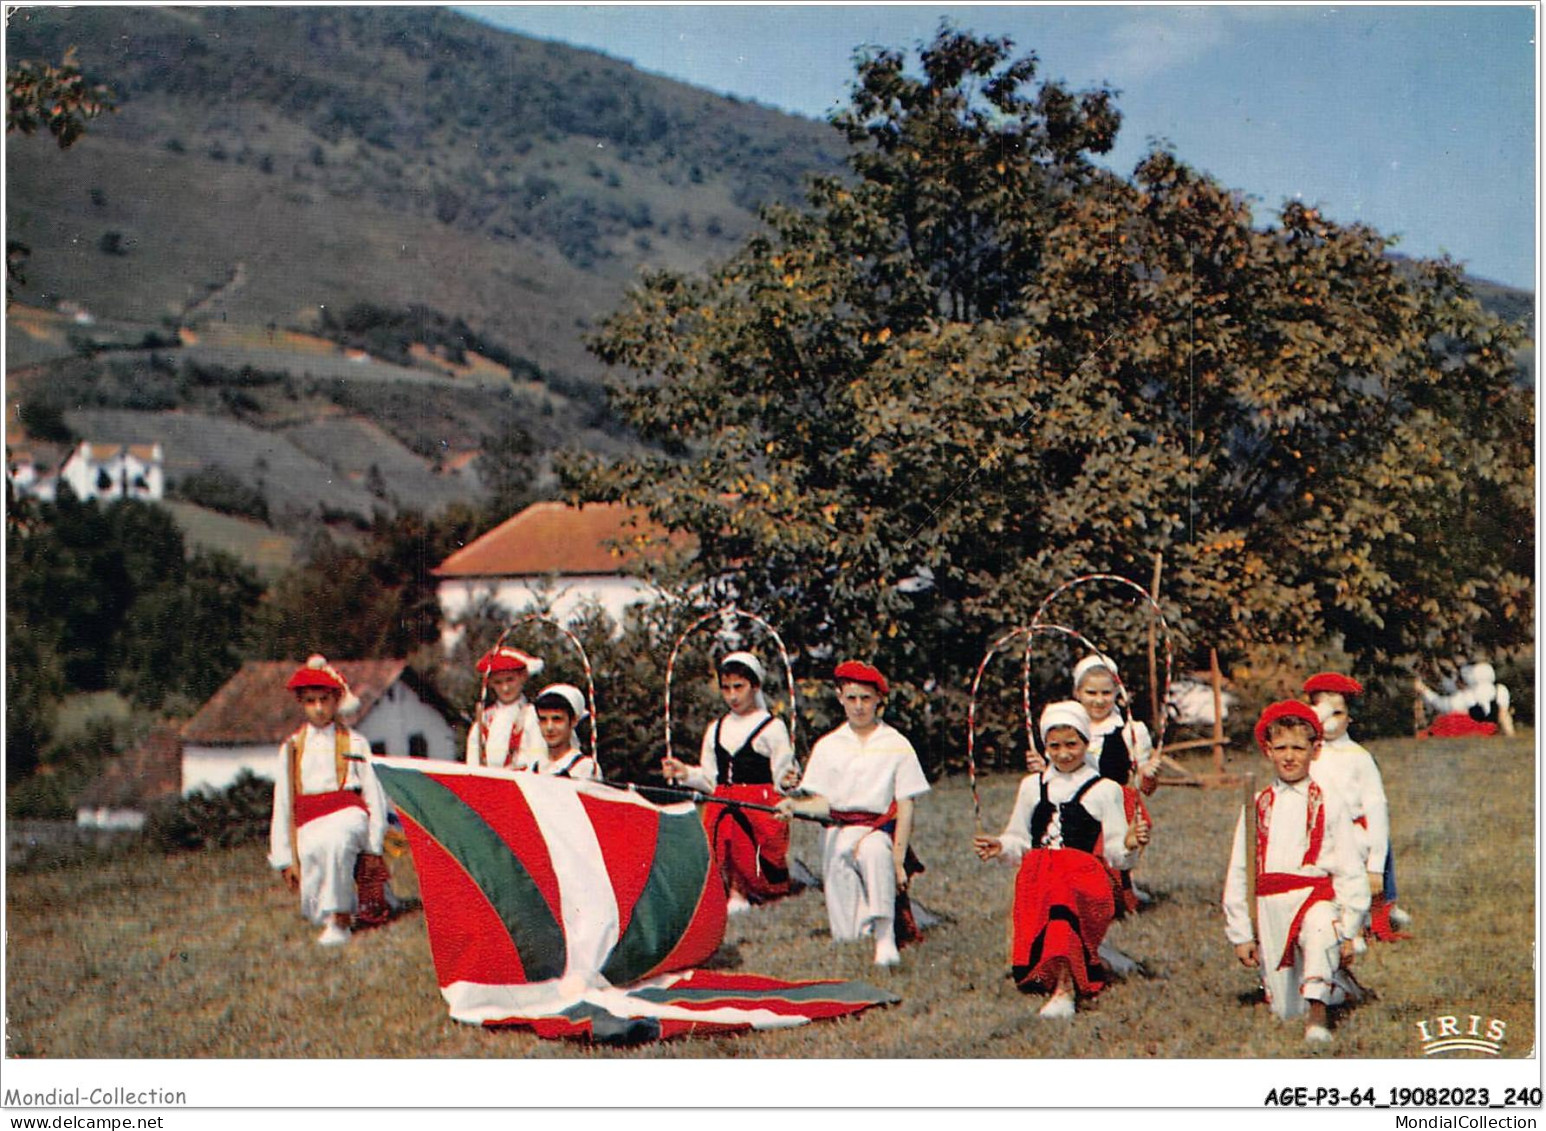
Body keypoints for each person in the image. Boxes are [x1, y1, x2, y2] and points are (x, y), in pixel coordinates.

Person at [974, 700, 1149, 1019]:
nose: (1064, 753)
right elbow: (1019, 839)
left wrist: (1129, 842)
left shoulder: (1104, 789)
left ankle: (1065, 990)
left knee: (1061, 890)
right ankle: (1094, 959)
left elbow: (1116, 853)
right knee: (1051, 887)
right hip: (1037, 878)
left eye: (1072, 744)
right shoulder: (1031, 786)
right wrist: (1000, 846)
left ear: (1086, 742)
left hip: (1085, 878)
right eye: (1054, 746)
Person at [1222, 701, 1370, 1043]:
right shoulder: (1256, 804)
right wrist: (1241, 933)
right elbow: (1240, 870)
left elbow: (1349, 866)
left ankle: (1318, 1020)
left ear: (1315, 751)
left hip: (1314, 895)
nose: (1289, 756)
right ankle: (1338, 986)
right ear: (1268, 751)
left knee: (1320, 928)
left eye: (1299, 748)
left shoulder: (1329, 801)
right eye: (1281, 748)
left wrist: (1350, 927)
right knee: (1287, 1009)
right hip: (1271, 904)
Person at [777, 661, 928, 967]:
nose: (859, 706)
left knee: (873, 852)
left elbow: (906, 805)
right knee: (848, 936)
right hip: (838, 831)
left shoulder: (896, 744)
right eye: (851, 698)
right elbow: (823, 804)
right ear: (840, 697)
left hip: (878, 829)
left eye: (866, 699)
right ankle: (864, 927)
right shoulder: (828, 745)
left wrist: (898, 859)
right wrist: (795, 807)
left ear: (878, 701)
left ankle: (886, 938)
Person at [661, 651, 797, 913]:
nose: (732, 695)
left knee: (736, 816)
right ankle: (731, 887)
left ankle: (748, 887)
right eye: (726, 688)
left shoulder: (771, 727)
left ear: (754, 686)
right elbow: (710, 779)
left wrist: (788, 780)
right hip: (723, 803)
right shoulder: (716, 728)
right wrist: (684, 773)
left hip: (759, 806)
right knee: (723, 811)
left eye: (739, 687)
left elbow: (783, 776)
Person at [268, 655, 389, 947]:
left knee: (337, 839)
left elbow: (374, 794)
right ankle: (328, 911)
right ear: (301, 702)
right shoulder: (292, 747)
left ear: (337, 700)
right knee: (314, 847)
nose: (319, 708)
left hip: (348, 812)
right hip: (310, 817)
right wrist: (284, 857)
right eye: (311, 701)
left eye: (325, 700)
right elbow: (283, 802)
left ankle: (340, 919)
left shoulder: (355, 743)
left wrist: (374, 845)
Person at [1303, 672, 1410, 940]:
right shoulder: (1305, 754)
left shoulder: (1358, 757)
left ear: (1350, 717)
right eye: (1322, 711)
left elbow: (1375, 808)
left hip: (1351, 835)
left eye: (1337, 713)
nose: (1329, 721)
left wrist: (1375, 865)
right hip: (1315, 836)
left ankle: (1369, 921)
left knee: (1353, 878)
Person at [1067, 653, 1157, 917]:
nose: (1098, 700)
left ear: (1117, 691)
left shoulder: (1129, 730)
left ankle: (1117, 895)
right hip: (1075, 803)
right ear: (1078, 692)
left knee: (1113, 850)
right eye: (1091, 692)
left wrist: (1148, 774)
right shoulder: (1068, 727)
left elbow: (1146, 786)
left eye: (1106, 693)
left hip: (1114, 804)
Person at [465, 645, 547, 768]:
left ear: (523, 677)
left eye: (510, 680)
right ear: (490, 683)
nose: (505, 688)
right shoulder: (484, 721)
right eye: (498, 682)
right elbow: (472, 765)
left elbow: (540, 762)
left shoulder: (532, 717)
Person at [515, 683, 602, 781]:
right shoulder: (532, 769)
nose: (549, 728)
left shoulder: (584, 768)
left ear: (573, 721)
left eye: (557, 719)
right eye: (543, 720)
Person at [1415, 661, 1515, 738]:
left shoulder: (1467, 695)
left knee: (1443, 719)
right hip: (1493, 730)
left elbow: (1442, 705)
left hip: (1472, 730)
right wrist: (1440, 676)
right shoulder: (1500, 690)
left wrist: (1424, 690)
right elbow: (1502, 715)